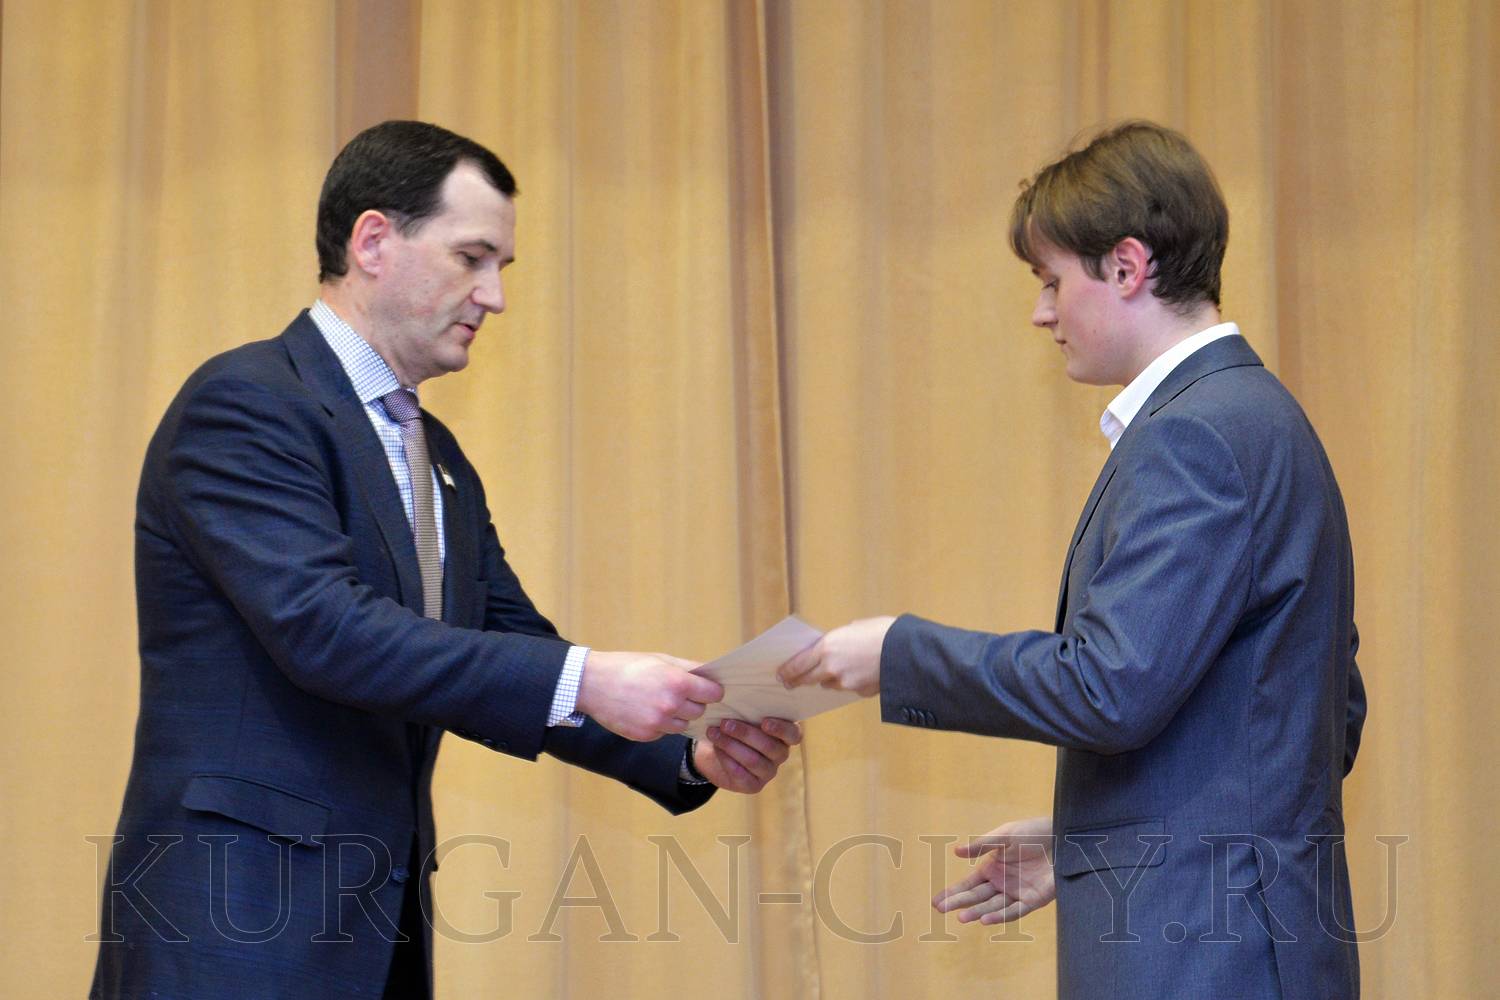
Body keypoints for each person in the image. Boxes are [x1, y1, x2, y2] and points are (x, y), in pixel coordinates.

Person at [91, 120, 801, 1000]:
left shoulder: (440, 457)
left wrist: (689, 747)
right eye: (472, 258)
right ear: (373, 242)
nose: (494, 296)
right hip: (230, 928)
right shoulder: (247, 404)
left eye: (503, 266)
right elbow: (326, 631)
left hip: (373, 933)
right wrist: (592, 678)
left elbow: (510, 647)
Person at [781, 121, 1365, 999]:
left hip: (1204, 956)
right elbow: (1317, 716)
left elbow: (1110, 687)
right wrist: (1095, 842)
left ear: (1127, 267)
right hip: (1241, 943)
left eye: (1051, 281)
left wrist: (897, 653)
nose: (1042, 313)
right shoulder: (1256, 416)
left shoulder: (1198, 435)